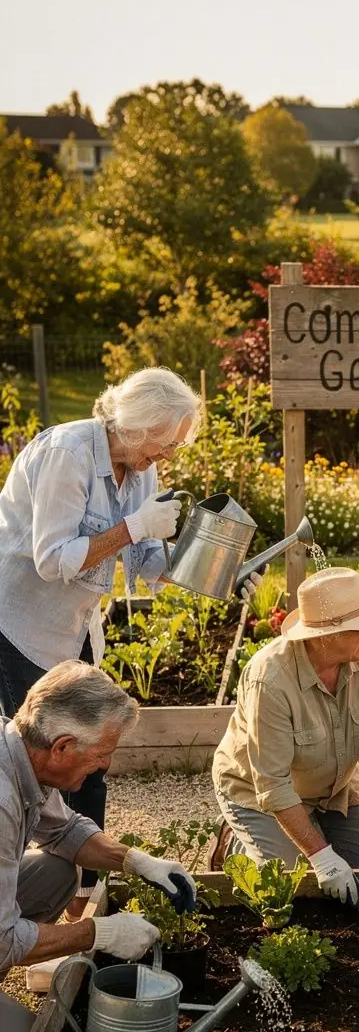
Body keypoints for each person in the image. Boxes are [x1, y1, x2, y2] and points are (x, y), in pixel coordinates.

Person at [0, 366, 200, 912]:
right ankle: (24, 910)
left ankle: (83, 902)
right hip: (20, 625)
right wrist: (134, 527)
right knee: (46, 763)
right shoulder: (68, 453)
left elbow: (146, 562)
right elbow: (52, 559)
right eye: (167, 442)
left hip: (78, 628)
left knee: (92, 762)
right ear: (137, 425)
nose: (170, 456)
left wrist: (216, 571)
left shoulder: (140, 471)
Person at [0, 661, 197, 1032]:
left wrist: (137, 861)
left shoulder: (22, 751)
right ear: (62, 747)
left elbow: (66, 830)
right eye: (102, 753)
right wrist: (99, 933)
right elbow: (2, 940)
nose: (105, 765)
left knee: (57, 872)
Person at [212, 566, 359, 904]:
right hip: (258, 793)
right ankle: (234, 840)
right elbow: (272, 785)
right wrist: (322, 857)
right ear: (325, 635)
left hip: (337, 789)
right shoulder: (270, 680)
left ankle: (315, 830)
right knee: (290, 883)